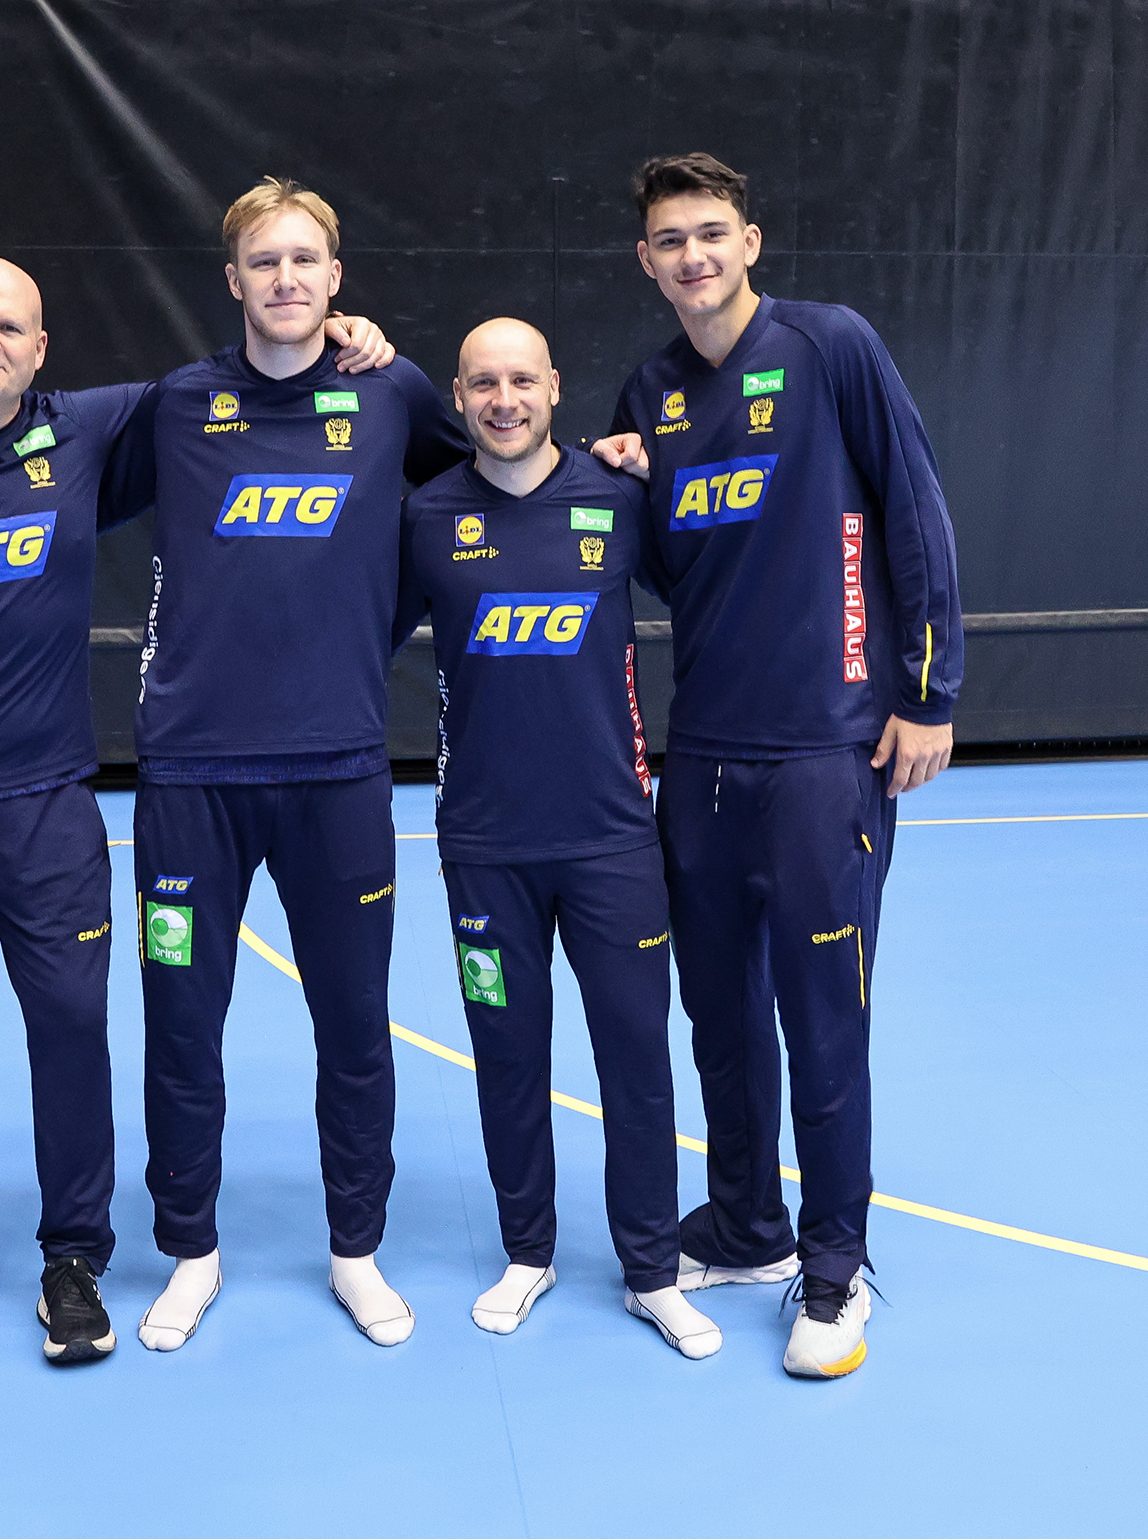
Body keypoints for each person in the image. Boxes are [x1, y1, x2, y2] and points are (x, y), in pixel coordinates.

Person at [0, 256, 392, 1363]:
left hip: (44, 805)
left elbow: (248, 380)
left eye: (11, 326)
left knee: (68, 1029)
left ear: (42, 350)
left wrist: (340, 335)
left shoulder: (89, 430)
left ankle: (73, 1257)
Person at [591, 153, 962, 1377]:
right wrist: (629, 492)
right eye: (669, 240)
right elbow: (674, 568)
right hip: (702, 757)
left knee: (821, 1018)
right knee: (719, 1014)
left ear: (748, 242)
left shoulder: (828, 346)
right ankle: (745, 1224)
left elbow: (912, 509)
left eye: (711, 233)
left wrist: (926, 691)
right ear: (645, 262)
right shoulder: (651, 391)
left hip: (823, 750)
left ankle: (834, 1264)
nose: (691, 256)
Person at [105, 178, 468, 1351]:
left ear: (336, 276)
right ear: (232, 280)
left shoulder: (391, 392)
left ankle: (355, 1250)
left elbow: (489, 487)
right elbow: (48, 482)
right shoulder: (176, 405)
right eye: (264, 261)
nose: (286, 279)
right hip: (190, 780)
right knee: (179, 1027)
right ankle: (189, 1252)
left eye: (306, 259)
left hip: (338, 774)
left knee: (354, 1029)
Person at [393, 318, 721, 1359]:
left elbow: (719, 584)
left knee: (636, 1062)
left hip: (612, 841)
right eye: (483, 383)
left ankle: (651, 1270)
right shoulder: (427, 516)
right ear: (458, 395)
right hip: (484, 846)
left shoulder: (616, 498)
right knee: (507, 1055)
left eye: (522, 381)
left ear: (553, 388)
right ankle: (526, 1252)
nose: (504, 400)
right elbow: (348, 638)